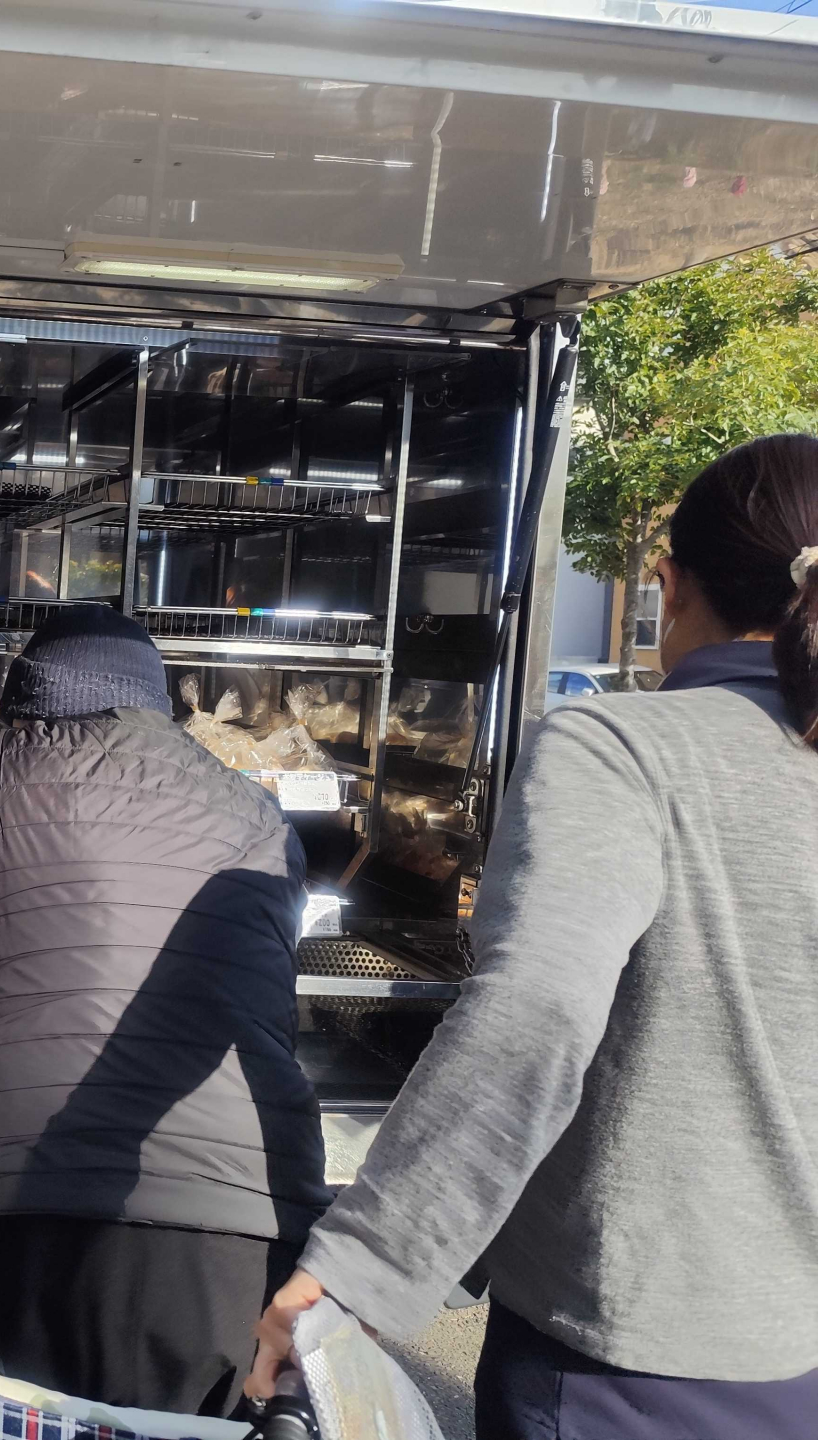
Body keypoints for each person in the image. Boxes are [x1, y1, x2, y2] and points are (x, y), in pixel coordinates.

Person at [249, 433, 818, 1437]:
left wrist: (364, 1269)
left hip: (626, 1366)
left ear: (668, 584)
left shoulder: (626, 750)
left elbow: (537, 1013)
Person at [0, 606, 328, 1419]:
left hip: (46, 1195)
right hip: (252, 1209)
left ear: (29, 695)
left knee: (46, 1419)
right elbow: (268, 1004)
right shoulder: (257, 808)